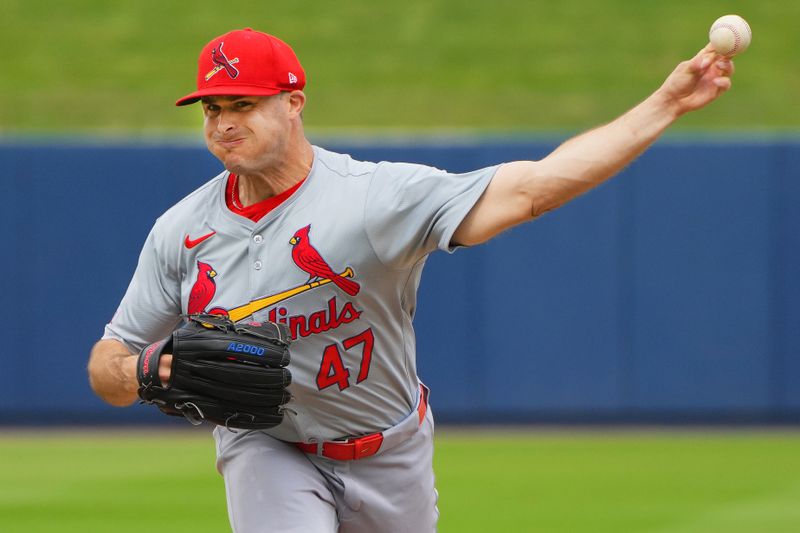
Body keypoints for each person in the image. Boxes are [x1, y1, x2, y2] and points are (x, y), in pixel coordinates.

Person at [87, 27, 735, 532]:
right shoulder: (182, 230)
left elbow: (533, 189)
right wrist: (142, 372)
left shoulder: (373, 199)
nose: (223, 122)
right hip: (269, 445)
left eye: (244, 104)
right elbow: (107, 360)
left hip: (389, 449)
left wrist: (667, 102)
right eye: (213, 107)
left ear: (293, 103)